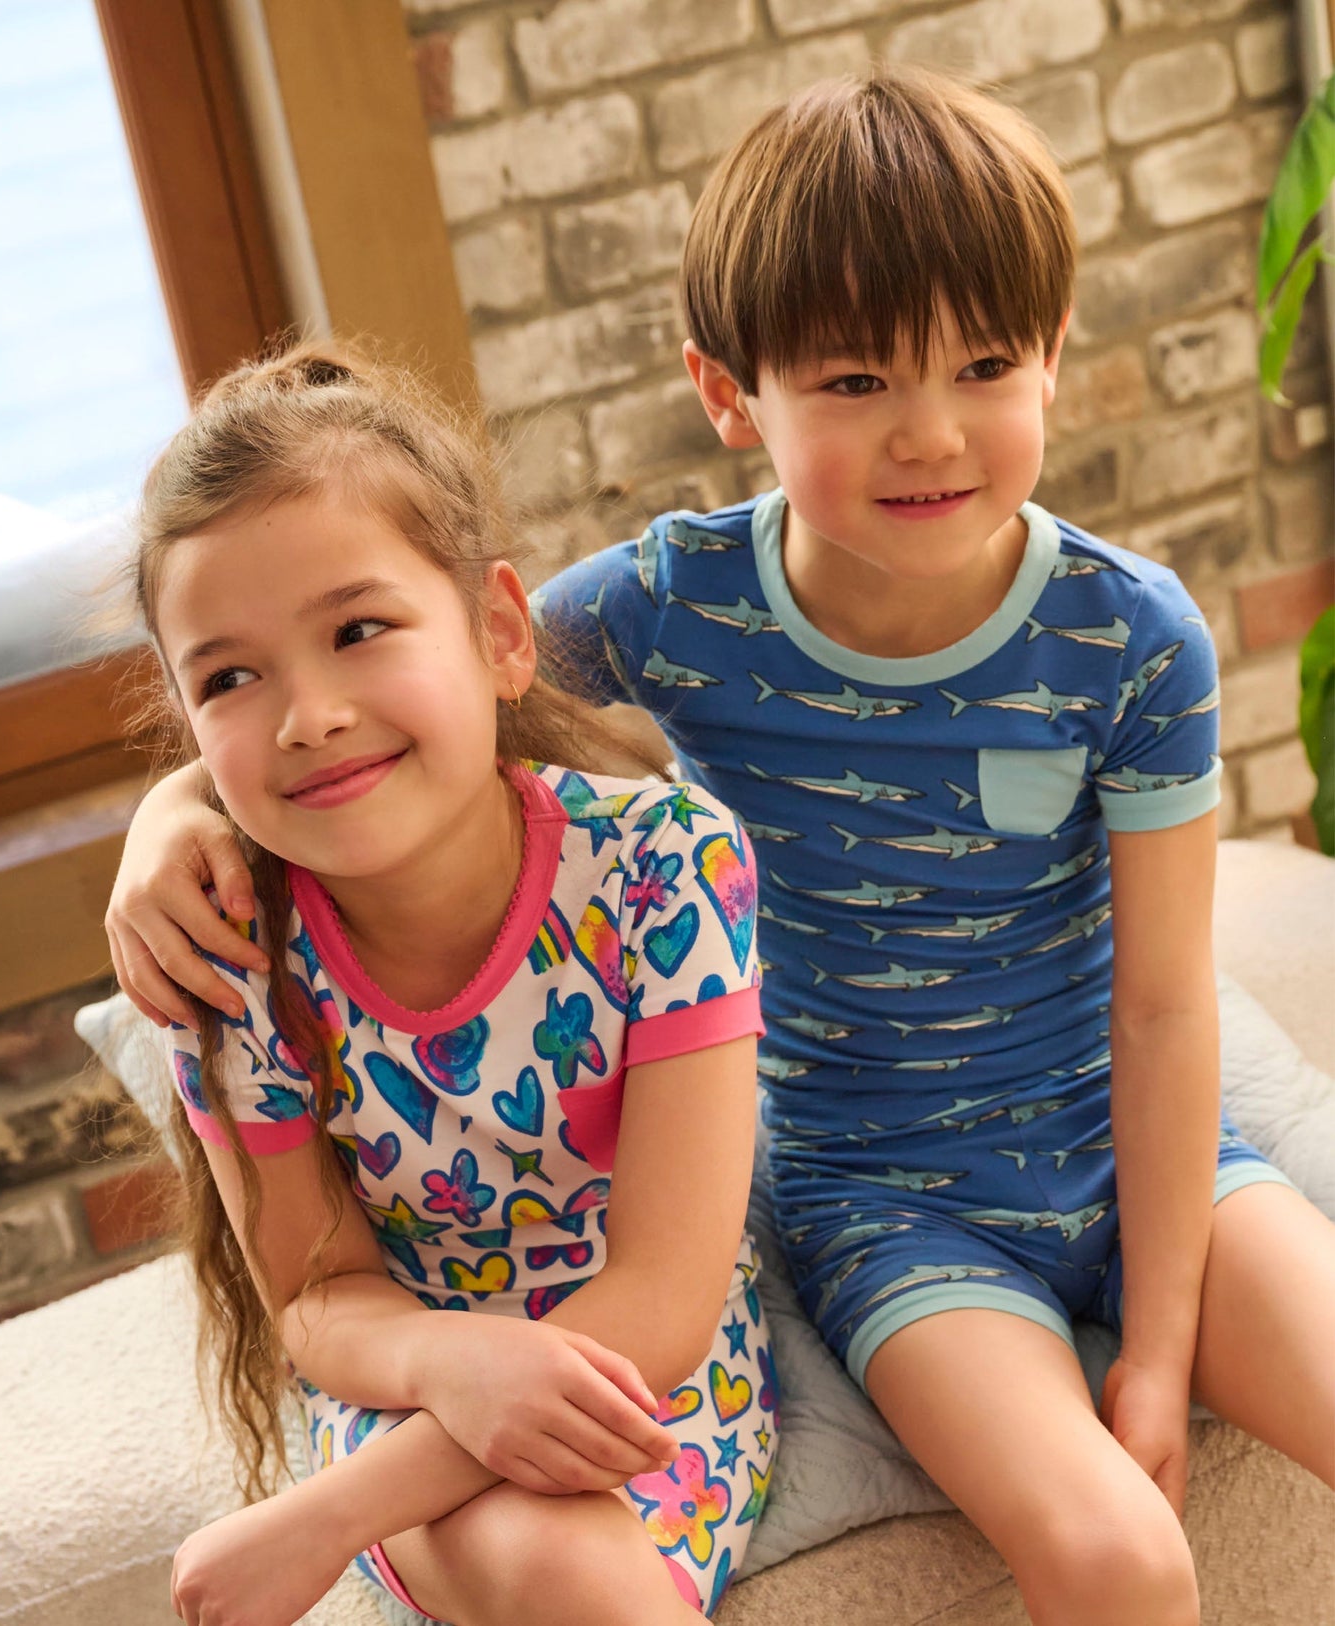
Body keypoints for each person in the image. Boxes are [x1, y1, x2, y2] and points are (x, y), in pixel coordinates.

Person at [108, 70, 1335, 1626]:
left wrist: (1156, 1356)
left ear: (1053, 353)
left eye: (982, 362)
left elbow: (1166, 1010)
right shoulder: (665, 608)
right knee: (1114, 1556)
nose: (930, 430)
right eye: (850, 381)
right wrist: (171, 815)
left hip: (1150, 1150)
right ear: (725, 390)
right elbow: (399, 696)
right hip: (878, 1198)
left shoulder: (1132, 637)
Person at [125, 344, 777, 1626]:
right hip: (402, 1369)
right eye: (229, 678)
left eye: (358, 631)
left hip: (648, 1365)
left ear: (496, 633)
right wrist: (455, 1362)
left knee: (563, 1567)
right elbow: (317, 1295)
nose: (306, 714)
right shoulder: (228, 959)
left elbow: (660, 1296)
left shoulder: (661, 863)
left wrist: (329, 1518)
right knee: (546, 1568)